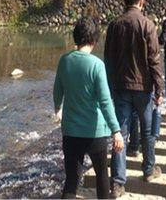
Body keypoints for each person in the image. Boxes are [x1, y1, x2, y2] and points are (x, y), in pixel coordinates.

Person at [53, 17, 124, 199]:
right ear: (94, 39)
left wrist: (58, 109)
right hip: (95, 133)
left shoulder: (64, 61)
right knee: (101, 177)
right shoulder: (97, 65)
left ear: (76, 37)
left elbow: (57, 90)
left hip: (70, 132)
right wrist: (116, 130)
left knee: (71, 181)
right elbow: (105, 101)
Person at [105, 0, 164, 199]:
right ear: (141, 2)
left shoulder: (114, 25)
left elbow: (108, 60)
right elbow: (154, 60)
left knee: (120, 133)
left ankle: (118, 184)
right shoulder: (147, 25)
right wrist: (159, 87)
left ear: (125, 1)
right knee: (147, 131)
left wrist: (109, 88)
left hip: (120, 87)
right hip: (143, 87)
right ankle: (148, 171)